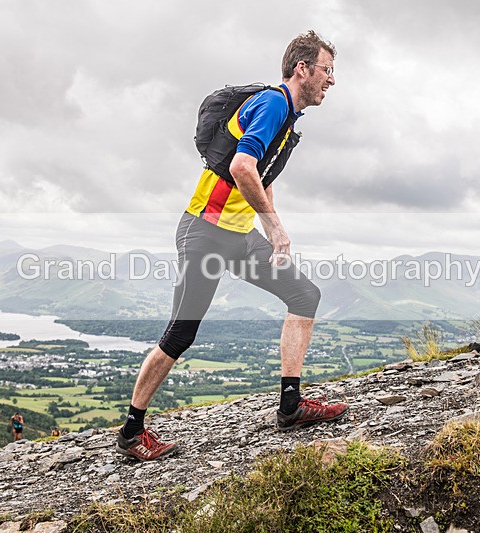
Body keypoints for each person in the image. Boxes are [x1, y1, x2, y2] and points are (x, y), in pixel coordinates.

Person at [116, 30, 348, 462]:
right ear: (302, 69)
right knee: (181, 333)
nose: (331, 79)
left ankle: (291, 405)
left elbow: (262, 174)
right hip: (205, 231)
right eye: (327, 69)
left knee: (304, 295)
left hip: (239, 237)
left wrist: (270, 228)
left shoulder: (287, 118)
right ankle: (131, 432)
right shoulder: (274, 103)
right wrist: (275, 227)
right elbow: (242, 166)